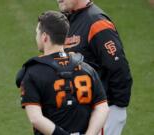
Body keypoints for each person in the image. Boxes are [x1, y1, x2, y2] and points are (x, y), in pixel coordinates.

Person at [16, 10, 109, 135]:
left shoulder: (33, 72)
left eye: (37, 32)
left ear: (44, 37)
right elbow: (102, 107)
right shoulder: (87, 69)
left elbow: (35, 118)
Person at [56, 0, 133, 135]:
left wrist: (112, 109)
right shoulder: (69, 20)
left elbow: (118, 67)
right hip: (84, 112)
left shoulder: (97, 23)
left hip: (103, 112)